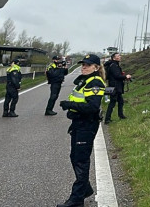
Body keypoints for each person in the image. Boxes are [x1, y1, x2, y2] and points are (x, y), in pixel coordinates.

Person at [57, 54, 105, 207]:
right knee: (75, 157)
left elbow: (92, 107)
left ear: (96, 67)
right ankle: (85, 188)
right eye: (83, 64)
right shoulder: (85, 81)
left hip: (87, 125)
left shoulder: (95, 82)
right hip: (79, 124)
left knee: (81, 161)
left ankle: (77, 199)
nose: (83, 67)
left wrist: (69, 105)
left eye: (87, 65)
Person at [103, 52, 132, 123]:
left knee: (121, 101)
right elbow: (117, 76)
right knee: (112, 103)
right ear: (114, 58)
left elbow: (116, 75)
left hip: (115, 86)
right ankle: (107, 119)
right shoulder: (113, 65)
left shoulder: (114, 65)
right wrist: (125, 76)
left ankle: (121, 115)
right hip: (114, 87)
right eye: (118, 56)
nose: (120, 57)